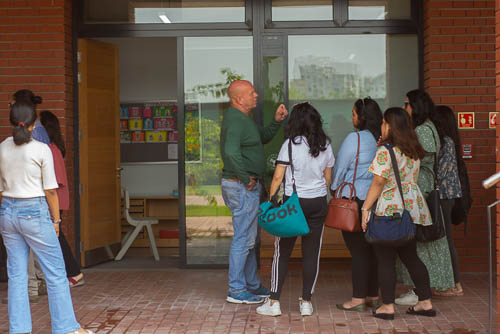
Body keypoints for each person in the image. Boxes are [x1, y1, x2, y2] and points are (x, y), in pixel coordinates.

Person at [0, 102, 93, 333]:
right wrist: (56, 221)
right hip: (35, 210)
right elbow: (50, 190)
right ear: (34, 125)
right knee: (55, 272)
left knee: (17, 275)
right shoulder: (41, 149)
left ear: (13, 121)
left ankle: (19, 330)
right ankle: (67, 328)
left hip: (8, 211)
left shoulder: (2, 148)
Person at [256, 102, 334, 317]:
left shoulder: (290, 145)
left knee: (282, 252)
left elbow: (279, 177)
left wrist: (271, 201)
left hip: (294, 204)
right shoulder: (325, 144)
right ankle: (306, 302)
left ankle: (273, 303)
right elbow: (328, 178)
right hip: (318, 202)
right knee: (312, 253)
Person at [361, 107, 435, 320]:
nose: (381, 127)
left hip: (390, 208)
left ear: (391, 127)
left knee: (385, 259)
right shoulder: (412, 149)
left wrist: (365, 208)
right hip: (411, 207)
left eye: (384, 123)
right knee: (411, 257)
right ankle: (425, 302)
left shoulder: (386, 151)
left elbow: (378, 182)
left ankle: (387, 306)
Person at [221, 80, 288, 304]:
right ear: (238, 99)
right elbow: (230, 153)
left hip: (245, 186)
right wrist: (244, 177)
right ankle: (236, 289)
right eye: (251, 93)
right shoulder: (236, 121)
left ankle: (251, 284)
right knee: (243, 238)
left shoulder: (243, 119)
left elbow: (262, 136)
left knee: (250, 237)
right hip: (241, 187)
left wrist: (276, 122)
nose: (256, 95)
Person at [395, 89, 455, 305]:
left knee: (418, 242)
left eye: (407, 104)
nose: (404, 108)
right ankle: (419, 290)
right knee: (419, 241)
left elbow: (418, 156)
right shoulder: (427, 127)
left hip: (420, 190)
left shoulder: (422, 130)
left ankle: (419, 291)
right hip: (421, 189)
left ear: (416, 106)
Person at [331, 98, 382, 312]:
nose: (352, 117)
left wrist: (334, 188)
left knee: (358, 250)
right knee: (372, 250)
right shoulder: (380, 138)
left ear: (362, 117)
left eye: (353, 114)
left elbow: (341, 166)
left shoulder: (356, 139)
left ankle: (357, 299)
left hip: (353, 200)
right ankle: (373, 295)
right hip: (375, 199)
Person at [8, 89, 49, 303]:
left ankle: (31, 288)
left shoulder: (10, 144)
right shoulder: (40, 134)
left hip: (24, 202)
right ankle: (39, 284)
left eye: (11, 104)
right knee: (40, 248)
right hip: (37, 200)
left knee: (25, 252)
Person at [40, 110, 85, 288]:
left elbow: (54, 182)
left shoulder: (51, 150)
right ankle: (72, 273)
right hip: (55, 200)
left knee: (56, 238)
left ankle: (74, 273)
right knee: (55, 238)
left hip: (53, 201)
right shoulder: (53, 148)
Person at [430, 105, 465, 296]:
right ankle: (451, 282)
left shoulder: (447, 142)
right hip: (445, 195)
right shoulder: (448, 141)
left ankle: (455, 284)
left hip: (444, 196)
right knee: (444, 239)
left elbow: (441, 172)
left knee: (447, 239)